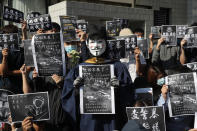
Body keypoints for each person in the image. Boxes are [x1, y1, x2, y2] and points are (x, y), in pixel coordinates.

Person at [62, 25, 134, 131]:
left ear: (106, 43)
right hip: (89, 120)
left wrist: (120, 87)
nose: (96, 46)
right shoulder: (79, 68)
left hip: (112, 119)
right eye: (92, 42)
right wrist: (75, 89)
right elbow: (67, 98)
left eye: (100, 41)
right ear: (86, 44)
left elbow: (130, 95)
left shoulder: (118, 67)